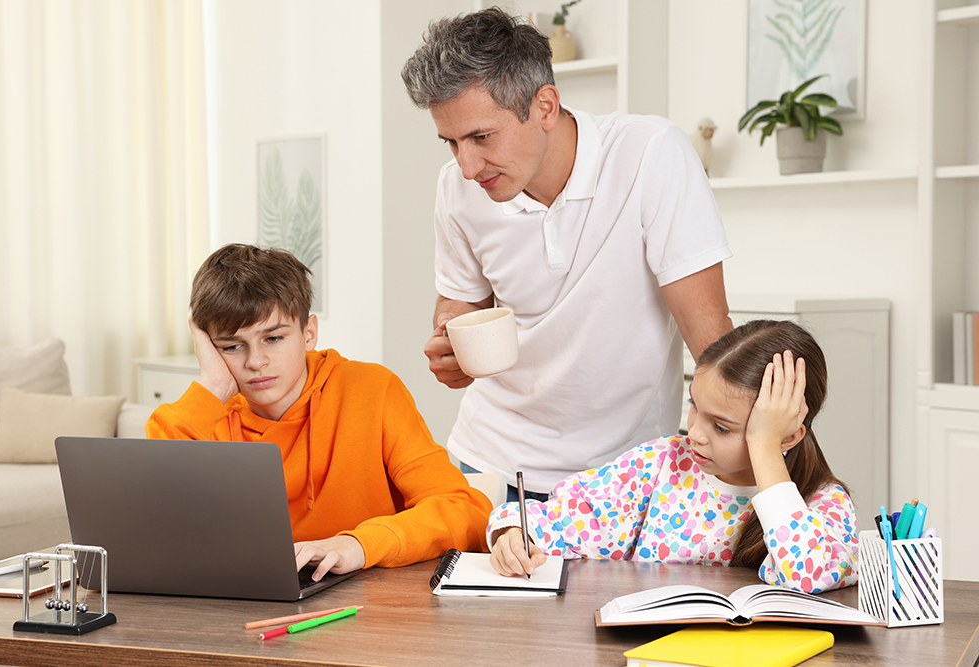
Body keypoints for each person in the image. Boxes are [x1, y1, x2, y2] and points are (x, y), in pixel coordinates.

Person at [401, 7, 733, 501]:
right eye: (451, 143)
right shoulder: (455, 188)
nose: (467, 166)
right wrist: (451, 342)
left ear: (545, 107)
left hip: (628, 475)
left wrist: (756, 474)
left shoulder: (650, 155)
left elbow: (709, 334)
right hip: (491, 465)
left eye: (481, 137)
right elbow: (458, 302)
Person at [146, 244, 492, 581]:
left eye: (273, 338)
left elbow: (466, 512)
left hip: (368, 606)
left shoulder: (371, 390)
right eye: (233, 346)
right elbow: (146, 523)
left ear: (308, 333)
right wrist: (214, 388)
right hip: (241, 610)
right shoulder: (206, 415)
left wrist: (357, 544)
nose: (255, 362)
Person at [488, 320, 858, 594]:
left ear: (787, 435)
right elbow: (555, 520)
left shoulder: (822, 503)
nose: (694, 433)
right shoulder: (659, 464)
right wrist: (512, 533)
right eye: (694, 407)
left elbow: (806, 576)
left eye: (722, 427)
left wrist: (764, 447)